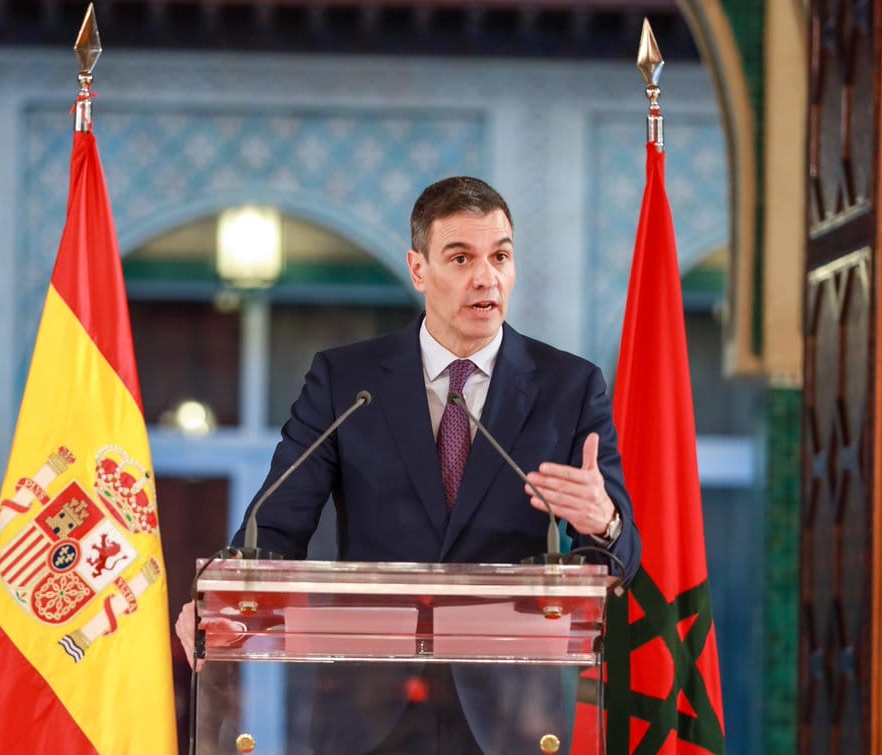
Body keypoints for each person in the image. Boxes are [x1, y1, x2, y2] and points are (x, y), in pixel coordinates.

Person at [178, 176, 641, 753]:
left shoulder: (569, 387)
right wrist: (225, 589)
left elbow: (622, 558)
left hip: (513, 713)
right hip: (371, 704)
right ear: (418, 270)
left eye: (500, 256)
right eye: (461, 257)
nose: (486, 277)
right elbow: (275, 521)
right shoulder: (347, 381)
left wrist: (605, 522)